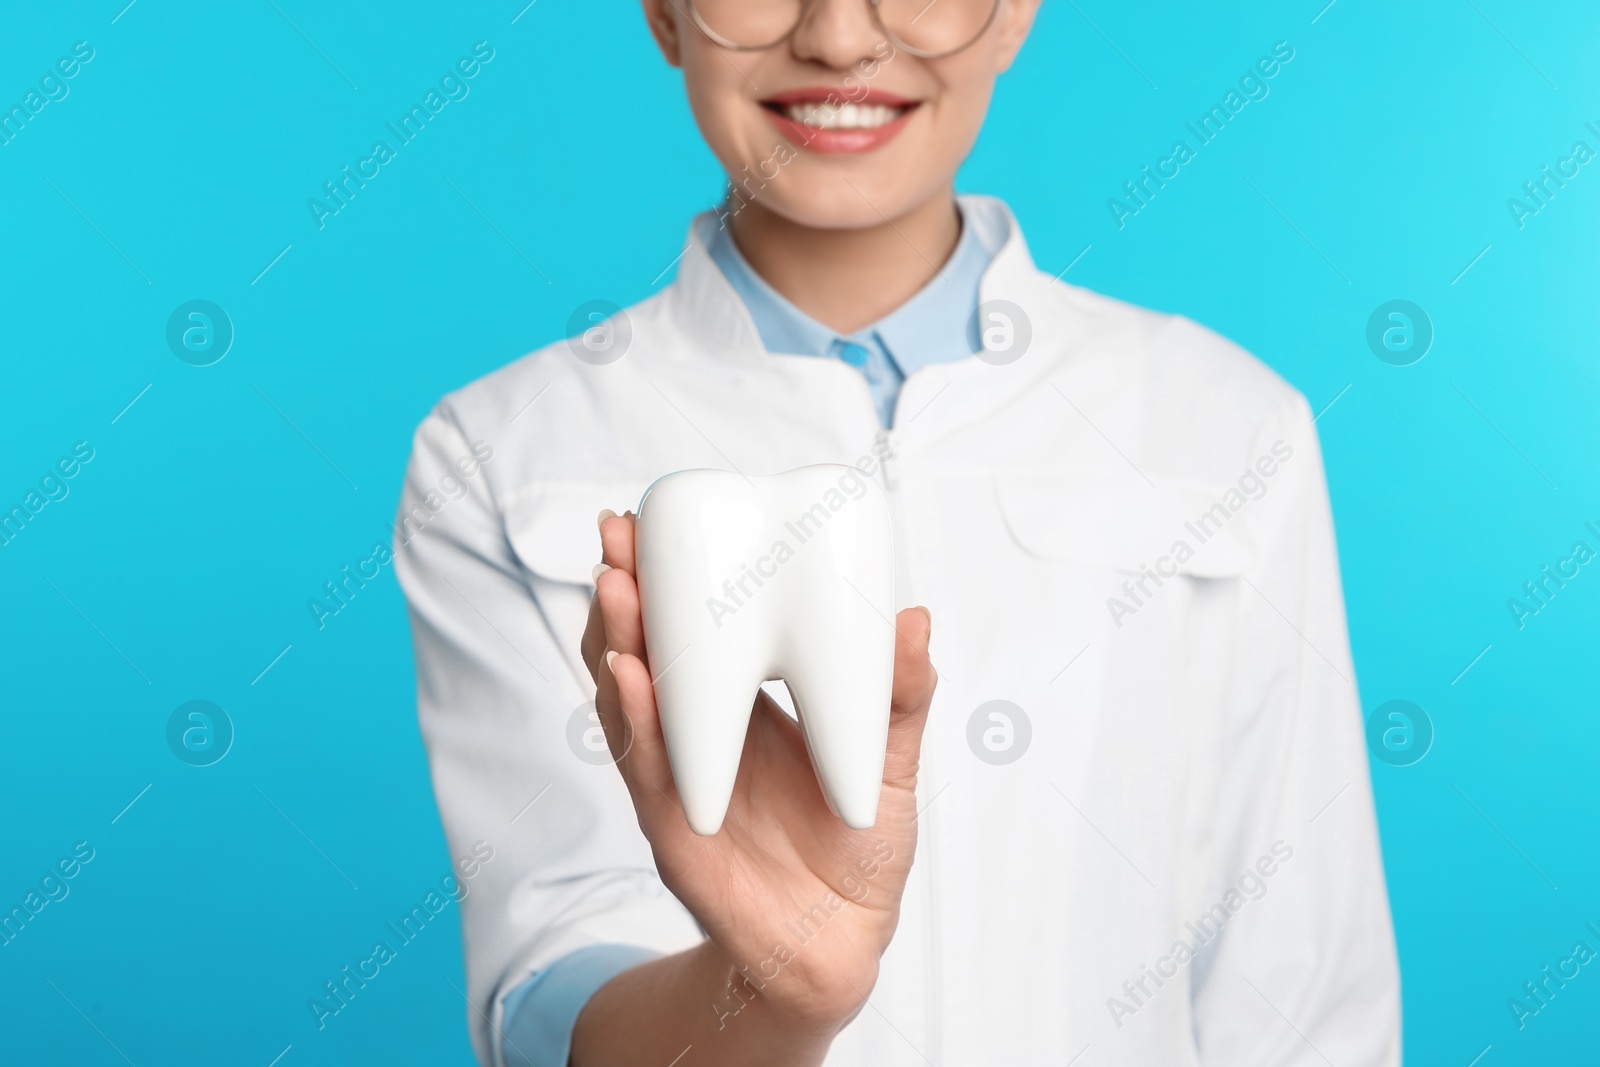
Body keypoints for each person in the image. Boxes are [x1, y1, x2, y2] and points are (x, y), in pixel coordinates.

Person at [394, 0, 1402, 1063]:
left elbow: (1301, 981)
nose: (837, 37)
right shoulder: (499, 454)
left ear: (1015, 14)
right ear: (662, 13)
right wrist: (773, 991)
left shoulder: (1223, 424)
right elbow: (547, 984)